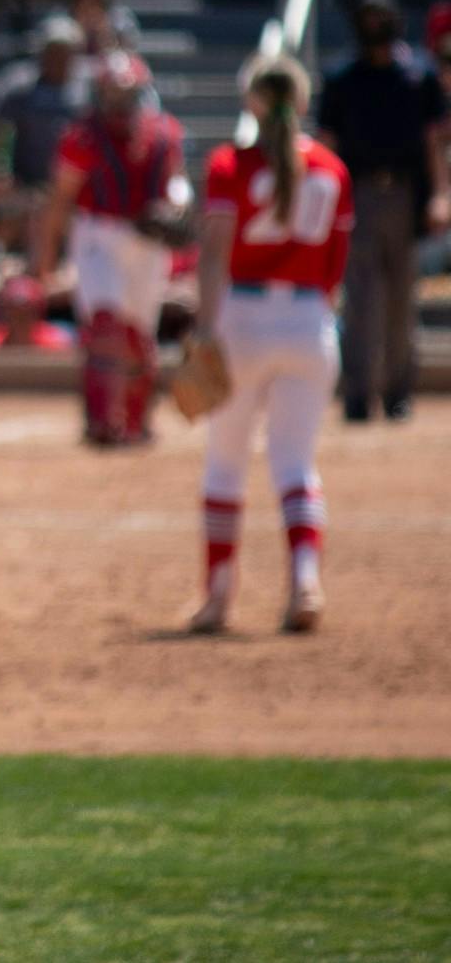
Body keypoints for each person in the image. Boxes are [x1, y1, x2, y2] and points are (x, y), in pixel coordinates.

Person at [187, 55, 352, 635]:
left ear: (251, 102)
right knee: (295, 462)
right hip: (309, 318)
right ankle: (305, 579)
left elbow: (214, 253)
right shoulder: (332, 167)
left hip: (245, 317)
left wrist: (204, 329)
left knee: (226, 461)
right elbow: (334, 265)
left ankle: (218, 596)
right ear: (302, 102)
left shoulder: (231, 163)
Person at [33, 51, 189, 447]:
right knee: (106, 323)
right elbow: (60, 198)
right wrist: (47, 259)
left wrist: (174, 208)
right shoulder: (83, 137)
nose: (118, 104)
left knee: (139, 331)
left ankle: (136, 419)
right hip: (99, 233)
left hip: (148, 239)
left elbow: (178, 184)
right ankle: (103, 419)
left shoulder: (163, 133)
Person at [315, 0, 450, 422]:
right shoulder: (342, 79)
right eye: (367, 17)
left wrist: (441, 195)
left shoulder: (418, 77)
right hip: (358, 195)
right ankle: (357, 393)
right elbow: (327, 146)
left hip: (407, 195)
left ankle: (397, 392)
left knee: (400, 300)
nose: (374, 26)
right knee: (360, 299)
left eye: (380, 17)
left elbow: (433, 143)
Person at [0, 16, 90, 189]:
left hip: (75, 189)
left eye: (64, 52)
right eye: (52, 51)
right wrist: (4, 171)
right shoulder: (21, 93)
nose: (57, 58)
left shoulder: (87, 95)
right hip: (27, 187)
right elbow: (5, 136)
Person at [0, 275, 72, 353]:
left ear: (37, 312)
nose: (20, 318)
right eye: (13, 311)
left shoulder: (56, 344)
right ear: (4, 313)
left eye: (27, 311)